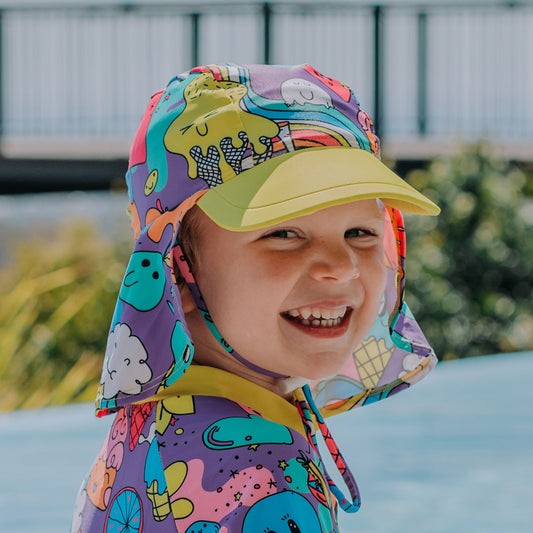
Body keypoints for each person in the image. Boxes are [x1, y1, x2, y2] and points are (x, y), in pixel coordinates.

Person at [71, 63, 440, 533]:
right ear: (178, 268)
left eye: (360, 232)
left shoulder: (156, 420)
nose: (341, 266)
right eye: (284, 233)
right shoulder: (261, 483)